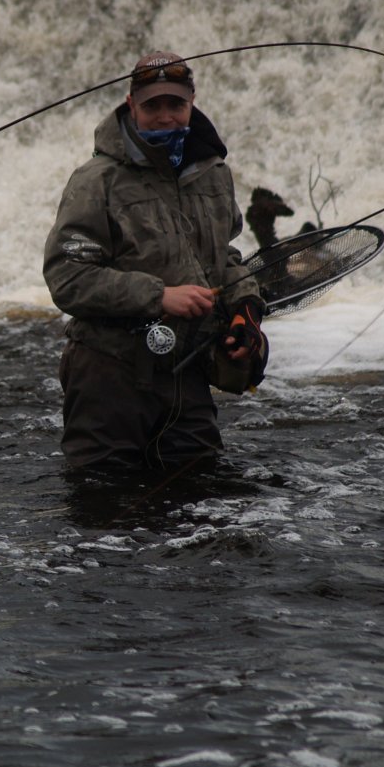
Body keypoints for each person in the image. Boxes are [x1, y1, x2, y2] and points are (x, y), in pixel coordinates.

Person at [42, 51, 267, 473]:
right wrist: (159, 296)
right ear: (131, 105)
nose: (165, 117)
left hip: (188, 369)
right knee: (102, 511)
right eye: (152, 106)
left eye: (175, 105)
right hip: (108, 373)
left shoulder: (215, 174)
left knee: (201, 501)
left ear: (192, 102)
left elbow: (225, 258)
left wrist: (246, 308)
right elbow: (67, 277)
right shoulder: (95, 181)